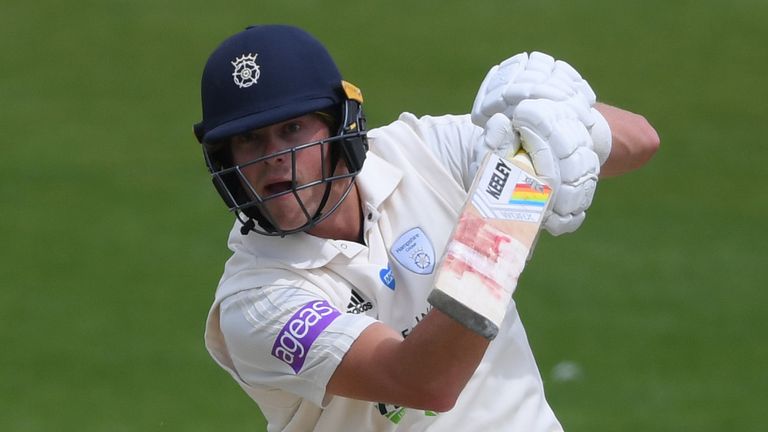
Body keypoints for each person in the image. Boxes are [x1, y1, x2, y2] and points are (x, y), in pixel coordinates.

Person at [194, 24, 659, 431]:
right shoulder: (254, 302)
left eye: (292, 129)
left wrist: (566, 128)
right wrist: (500, 220)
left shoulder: (421, 150)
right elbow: (423, 381)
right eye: (248, 139)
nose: (273, 155)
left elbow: (641, 140)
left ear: (342, 124)